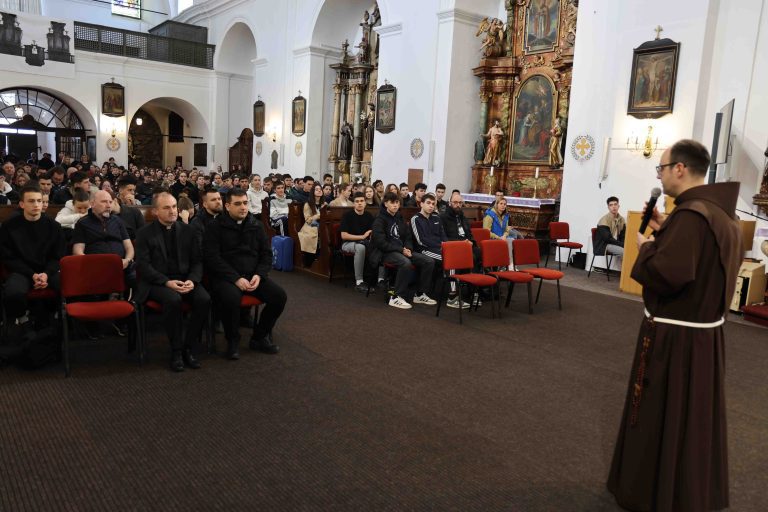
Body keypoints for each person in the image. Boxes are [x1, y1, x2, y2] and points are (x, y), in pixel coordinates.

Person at [607, 139, 743, 512]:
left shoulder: (691, 217)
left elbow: (670, 274)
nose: (660, 176)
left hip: (675, 339)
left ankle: (657, 495)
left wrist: (647, 247)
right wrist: (666, 229)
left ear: (679, 169)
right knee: (691, 419)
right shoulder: (719, 214)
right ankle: (687, 492)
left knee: (663, 415)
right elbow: (699, 258)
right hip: (703, 336)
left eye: (662, 168)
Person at [203, 189, 287, 359]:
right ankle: (233, 341)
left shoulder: (256, 225)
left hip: (253, 276)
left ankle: (259, 337)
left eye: (245, 203)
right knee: (231, 298)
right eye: (238, 204)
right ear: (227, 206)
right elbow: (212, 258)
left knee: (279, 296)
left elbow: (266, 254)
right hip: (227, 277)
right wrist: (235, 278)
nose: (243, 207)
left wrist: (259, 275)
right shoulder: (215, 226)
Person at [135, 191, 210, 372]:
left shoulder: (188, 230)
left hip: (185, 279)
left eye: (174, 207)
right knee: (173, 299)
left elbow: (197, 261)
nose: (172, 211)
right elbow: (143, 266)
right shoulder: (144, 233)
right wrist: (166, 282)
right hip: (157, 282)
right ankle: (176, 351)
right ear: (155, 211)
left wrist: (192, 280)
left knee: (204, 299)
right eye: (166, 207)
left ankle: (188, 347)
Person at [0, 185, 65, 328]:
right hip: (21, 271)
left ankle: (58, 319)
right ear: (22, 204)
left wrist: (46, 274)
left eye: (39, 201)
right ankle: (21, 320)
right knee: (13, 292)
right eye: (31, 201)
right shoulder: (9, 226)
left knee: (67, 286)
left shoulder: (54, 226)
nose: (36, 205)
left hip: (48, 271)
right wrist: (32, 274)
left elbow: (58, 256)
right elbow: (9, 257)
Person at [372, 192, 436, 310]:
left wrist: (408, 248)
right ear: (386, 204)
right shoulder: (379, 220)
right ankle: (396, 297)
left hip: (402, 251)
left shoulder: (399, 217)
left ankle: (420, 294)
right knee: (405, 263)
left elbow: (408, 237)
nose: (395, 205)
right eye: (392, 202)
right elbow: (381, 243)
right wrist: (401, 250)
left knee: (428, 261)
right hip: (385, 253)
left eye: (397, 202)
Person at [72, 190, 135, 289]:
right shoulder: (82, 223)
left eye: (110, 202)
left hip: (121, 265)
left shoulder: (118, 221)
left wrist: (127, 260)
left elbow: (129, 247)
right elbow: (77, 251)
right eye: (104, 202)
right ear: (92, 204)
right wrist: (92, 264)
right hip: (96, 267)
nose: (109, 205)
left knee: (138, 277)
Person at [340, 192, 381, 293]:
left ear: (365, 203)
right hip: (348, 243)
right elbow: (344, 235)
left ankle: (380, 279)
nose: (359, 203)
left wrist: (370, 233)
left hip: (364, 242)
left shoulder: (368, 216)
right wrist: (361, 237)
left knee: (380, 246)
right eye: (357, 201)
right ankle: (359, 282)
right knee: (360, 247)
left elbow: (372, 231)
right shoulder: (347, 215)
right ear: (354, 203)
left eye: (362, 201)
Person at [409, 193, 447, 297]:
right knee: (449, 260)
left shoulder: (436, 218)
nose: (431, 206)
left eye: (433, 204)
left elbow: (443, 235)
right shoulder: (416, 219)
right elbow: (421, 240)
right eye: (428, 203)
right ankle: (421, 294)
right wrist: (440, 245)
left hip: (438, 248)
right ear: (421, 204)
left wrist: (445, 246)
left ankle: (447, 292)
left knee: (455, 258)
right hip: (422, 250)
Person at [298, 183, 325, 265]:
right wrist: (319, 215)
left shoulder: (324, 204)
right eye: (317, 189)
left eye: (320, 189)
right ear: (313, 192)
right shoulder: (308, 204)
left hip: (322, 226)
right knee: (311, 237)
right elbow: (308, 220)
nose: (319, 191)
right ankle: (310, 262)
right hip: (310, 227)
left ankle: (321, 261)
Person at [595, 196, 626, 260]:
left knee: (631, 249)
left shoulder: (621, 219)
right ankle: (625, 267)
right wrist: (622, 244)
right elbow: (608, 239)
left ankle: (627, 267)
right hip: (605, 245)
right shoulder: (604, 220)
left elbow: (623, 235)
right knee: (625, 252)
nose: (613, 207)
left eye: (615, 204)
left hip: (615, 243)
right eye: (611, 205)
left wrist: (624, 244)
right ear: (608, 207)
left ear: (618, 206)